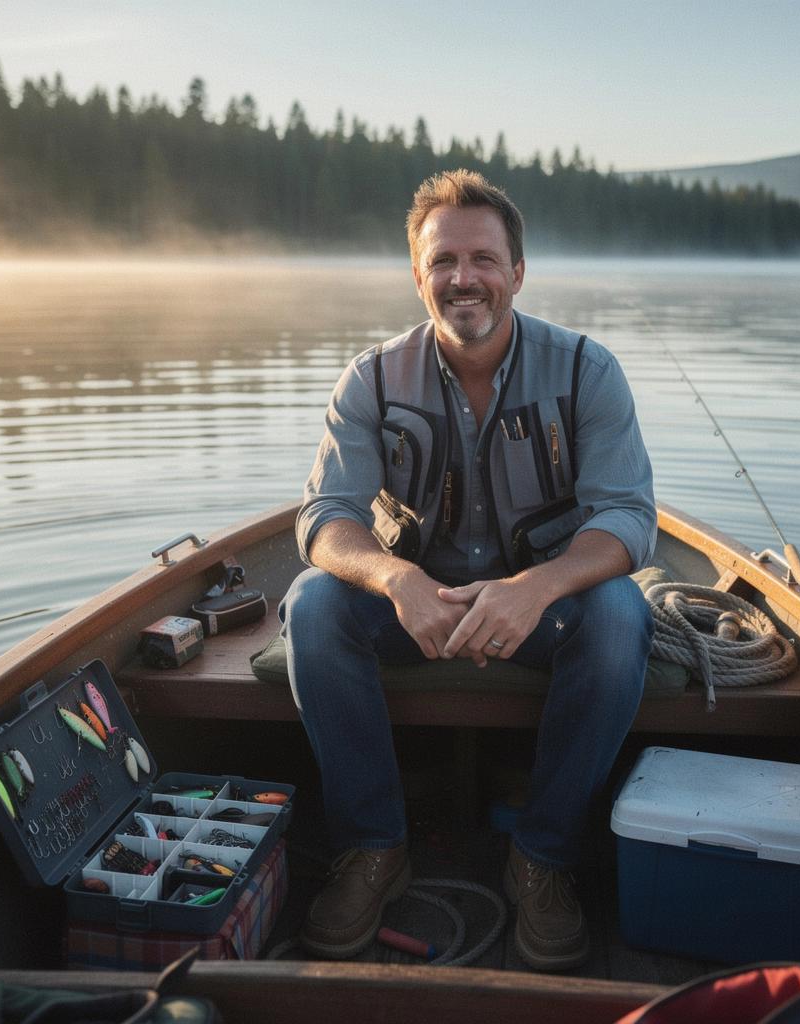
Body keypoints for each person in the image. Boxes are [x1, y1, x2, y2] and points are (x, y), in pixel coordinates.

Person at [281, 169, 656, 971]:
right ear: (418, 275)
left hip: (541, 613)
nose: (464, 278)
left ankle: (544, 856)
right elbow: (322, 520)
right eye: (443, 261)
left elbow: (628, 518)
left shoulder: (590, 371)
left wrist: (538, 586)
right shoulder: (370, 380)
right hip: (416, 609)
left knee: (622, 616)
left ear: (517, 272)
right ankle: (372, 849)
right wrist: (394, 580)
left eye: (483, 258)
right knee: (313, 607)